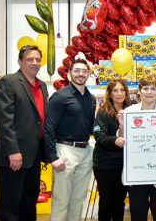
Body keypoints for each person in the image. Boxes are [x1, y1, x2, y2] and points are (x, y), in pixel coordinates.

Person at [0, 45, 49, 221]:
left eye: (38, 59)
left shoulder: (42, 86)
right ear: (20, 61)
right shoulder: (9, 82)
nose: (34, 63)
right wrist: (13, 151)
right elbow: (4, 120)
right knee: (11, 205)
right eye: (29, 59)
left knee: (29, 202)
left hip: (33, 156)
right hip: (15, 156)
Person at [44, 58, 97, 221]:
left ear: (88, 74)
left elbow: (91, 128)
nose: (80, 74)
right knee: (61, 200)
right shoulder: (60, 97)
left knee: (78, 199)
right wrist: (53, 157)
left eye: (84, 71)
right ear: (69, 74)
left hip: (85, 151)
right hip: (65, 151)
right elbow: (48, 128)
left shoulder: (91, 99)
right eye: (76, 71)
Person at [119, 74, 156, 221]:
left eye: (153, 88)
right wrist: (122, 124)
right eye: (145, 88)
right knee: (138, 211)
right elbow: (121, 140)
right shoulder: (129, 112)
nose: (149, 92)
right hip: (137, 172)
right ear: (139, 91)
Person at [93, 79, 132, 221]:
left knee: (119, 201)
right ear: (109, 94)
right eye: (115, 90)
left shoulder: (131, 110)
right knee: (106, 201)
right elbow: (99, 136)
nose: (119, 93)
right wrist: (114, 141)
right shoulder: (103, 112)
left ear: (126, 93)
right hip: (105, 164)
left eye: (122, 90)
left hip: (124, 164)